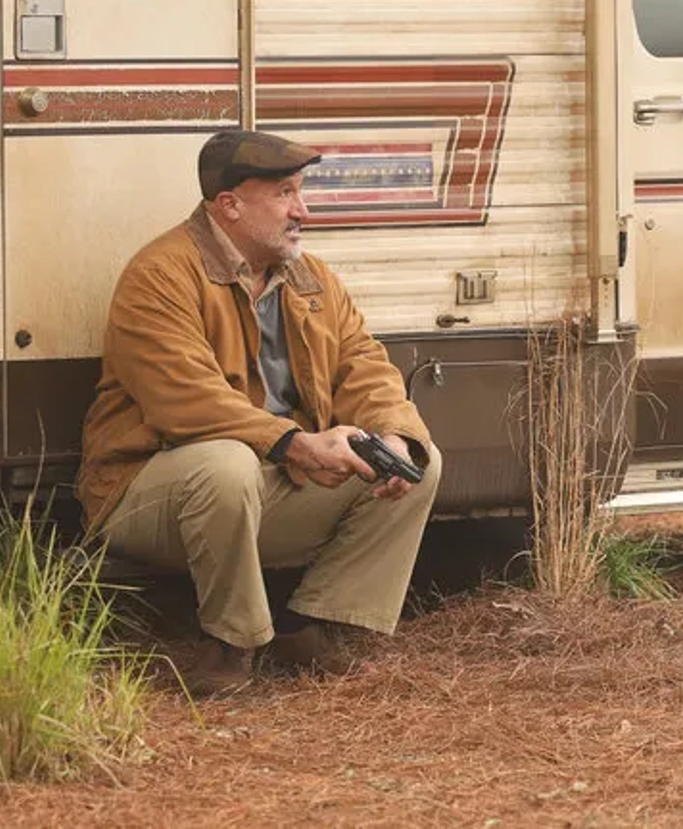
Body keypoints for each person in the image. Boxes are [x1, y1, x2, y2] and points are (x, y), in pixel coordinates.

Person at [77, 129, 441, 696]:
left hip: (268, 481)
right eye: (285, 194)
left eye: (301, 192)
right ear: (230, 205)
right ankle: (230, 643)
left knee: (418, 462)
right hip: (147, 490)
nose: (304, 210)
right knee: (223, 464)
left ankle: (306, 626)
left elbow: (365, 366)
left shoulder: (310, 278)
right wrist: (299, 443)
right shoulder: (159, 275)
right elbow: (186, 399)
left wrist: (393, 436)